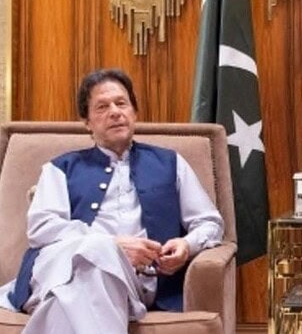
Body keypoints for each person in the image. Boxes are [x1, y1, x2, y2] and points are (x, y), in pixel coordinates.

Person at [0, 68, 224, 333]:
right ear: (87, 122)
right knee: (96, 257)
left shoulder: (171, 163)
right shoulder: (60, 168)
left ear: (134, 112)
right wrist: (111, 245)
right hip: (62, 268)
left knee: (70, 294)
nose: (115, 112)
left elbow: (210, 223)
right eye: (102, 107)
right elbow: (42, 228)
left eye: (121, 103)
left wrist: (187, 244)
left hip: (134, 281)